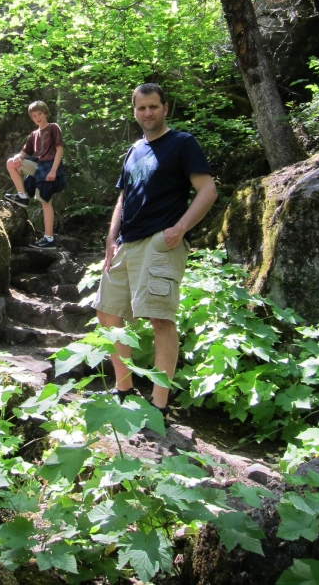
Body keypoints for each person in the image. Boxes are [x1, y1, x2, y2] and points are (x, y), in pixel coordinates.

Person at [92, 83, 217, 421]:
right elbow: (123, 198)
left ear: (165, 108)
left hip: (161, 242)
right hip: (126, 243)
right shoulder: (133, 150)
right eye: (141, 108)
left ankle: (159, 406)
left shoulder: (182, 143)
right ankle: (124, 388)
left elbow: (207, 190)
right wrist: (111, 239)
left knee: (160, 318)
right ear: (134, 112)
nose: (147, 113)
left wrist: (179, 229)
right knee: (107, 312)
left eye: (153, 107)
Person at [4, 100, 65, 248]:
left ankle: (48, 238)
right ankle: (22, 195)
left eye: (39, 114)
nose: (37, 117)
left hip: (49, 167)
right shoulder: (34, 134)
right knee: (12, 162)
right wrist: (19, 156)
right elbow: (25, 152)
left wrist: (53, 170)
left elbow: (59, 150)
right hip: (38, 167)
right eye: (33, 116)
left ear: (45, 114)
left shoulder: (53, 128)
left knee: (45, 201)